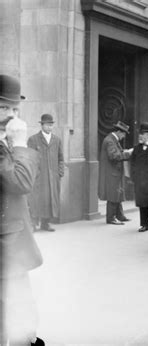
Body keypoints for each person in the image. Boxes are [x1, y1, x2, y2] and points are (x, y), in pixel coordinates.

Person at [0, 74, 45, 345]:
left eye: (15, 108)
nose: (11, 115)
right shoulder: (9, 142)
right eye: (3, 107)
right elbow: (22, 182)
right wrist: (19, 144)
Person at [27, 114, 64, 232]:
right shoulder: (33, 139)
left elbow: (61, 158)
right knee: (37, 200)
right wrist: (35, 174)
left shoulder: (56, 140)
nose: (50, 127)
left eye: (51, 125)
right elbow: (30, 159)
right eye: (47, 125)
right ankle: (33, 223)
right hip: (39, 177)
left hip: (53, 177)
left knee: (50, 200)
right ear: (42, 125)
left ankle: (45, 223)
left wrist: (60, 172)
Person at [98, 121, 133, 225]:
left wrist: (125, 152)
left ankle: (119, 215)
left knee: (118, 193)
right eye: (123, 134)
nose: (124, 136)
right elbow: (114, 156)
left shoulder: (112, 140)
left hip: (114, 172)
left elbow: (117, 153)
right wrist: (128, 153)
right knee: (113, 195)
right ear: (118, 132)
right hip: (112, 173)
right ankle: (111, 218)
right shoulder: (110, 141)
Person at [130, 122, 148, 232]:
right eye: (140, 134)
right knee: (142, 204)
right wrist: (134, 178)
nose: (140, 136)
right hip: (140, 182)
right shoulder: (136, 149)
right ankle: (144, 224)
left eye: (143, 134)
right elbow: (132, 164)